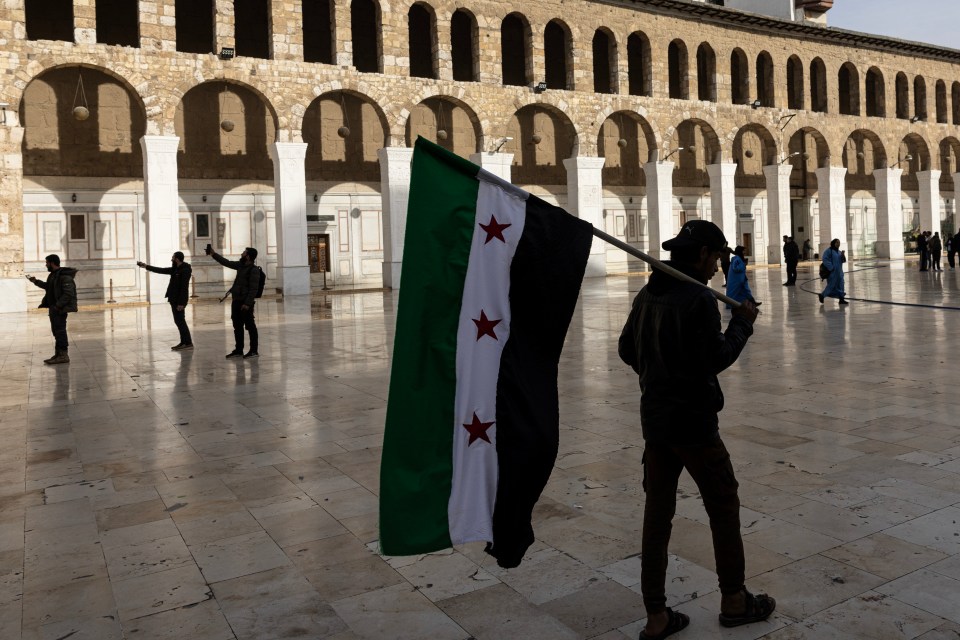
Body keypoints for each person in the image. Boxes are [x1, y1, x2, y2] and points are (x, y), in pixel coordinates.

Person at [618, 220, 773, 640]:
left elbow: (626, 349)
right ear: (703, 254)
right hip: (694, 426)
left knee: (658, 516)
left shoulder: (648, 293)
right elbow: (715, 358)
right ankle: (735, 600)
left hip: (656, 422)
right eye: (717, 257)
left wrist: (660, 374)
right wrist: (742, 324)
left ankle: (656, 615)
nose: (718, 265)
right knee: (723, 506)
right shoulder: (698, 299)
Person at [207, 245, 260, 358]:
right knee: (237, 326)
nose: (242, 254)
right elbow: (226, 262)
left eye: (244, 253)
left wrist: (247, 303)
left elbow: (253, 289)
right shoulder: (241, 266)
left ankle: (254, 351)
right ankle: (239, 350)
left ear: (248, 256)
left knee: (250, 326)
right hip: (236, 300)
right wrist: (213, 254)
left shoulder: (254, 270)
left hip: (245, 303)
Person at [26, 254, 78, 365]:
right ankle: (58, 354)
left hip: (59, 309)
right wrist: (35, 281)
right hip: (54, 308)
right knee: (56, 331)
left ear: (52, 263)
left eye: (47, 263)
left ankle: (64, 355)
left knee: (60, 331)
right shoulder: (54, 275)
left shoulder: (64, 276)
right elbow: (48, 287)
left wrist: (58, 306)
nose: (46, 265)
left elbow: (68, 294)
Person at [137, 252, 194, 350]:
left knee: (180, 321)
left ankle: (188, 343)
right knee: (178, 321)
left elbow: (184, 288)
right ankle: (183, 342)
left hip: (179, 300)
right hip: (173, 299)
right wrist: (146, 266)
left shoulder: (185, 270)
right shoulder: (175, 269)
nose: (171, 259)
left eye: (173, 257)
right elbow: (161, 270)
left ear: (177, 259)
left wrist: (181, 303)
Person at [819, 238, 847, 305]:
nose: (838, 244)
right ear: (833, 243)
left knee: (841, 285)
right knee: (831, 286)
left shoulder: (839, 252)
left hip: (839, 273)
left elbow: (843, 261)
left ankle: (841, 299)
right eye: (837, 242)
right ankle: (822, 295)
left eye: (839, 242)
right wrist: (831, 267)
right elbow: (825, 259)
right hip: (832, 273)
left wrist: (843, 256)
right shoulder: (829, 251)